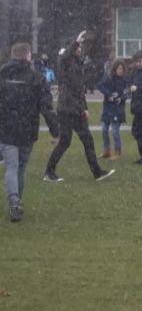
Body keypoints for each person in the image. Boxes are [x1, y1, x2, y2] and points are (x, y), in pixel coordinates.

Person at [44, 31, 114, 182]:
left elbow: (79, 90)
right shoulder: (65, 62)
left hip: (76, 109)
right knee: (65, 142)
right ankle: (49, 172)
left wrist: (85, 108)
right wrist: (75, 41)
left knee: (87, 140)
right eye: (78, 47)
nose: (80, 49)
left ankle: (97, 172)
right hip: (66, 110)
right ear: (72, 47)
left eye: (81, 46)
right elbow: (65, 56)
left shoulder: (77, 63)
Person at [0, 42, 59, 222]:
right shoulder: (36, 77)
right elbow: (46, 106)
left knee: (11, 166)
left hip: (6, 127)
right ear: (28, 56)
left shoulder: (2, 74)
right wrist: (54, 129)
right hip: (27, 127)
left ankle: (14, 202)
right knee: (21, 167)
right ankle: (17, 201)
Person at [96, 59, 128, 160]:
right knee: (104, 130)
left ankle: (117, 152)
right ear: (114, 69)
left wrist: (121, 99)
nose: (120, 71)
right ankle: (107, 150)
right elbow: (99, 85)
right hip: (108, 108)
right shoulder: (108, 78)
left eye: (122, 69)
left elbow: (127, 93)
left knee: (115, 131)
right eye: (119, 69)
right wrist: (108, 94)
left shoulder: (124, 80)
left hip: (118, 109)